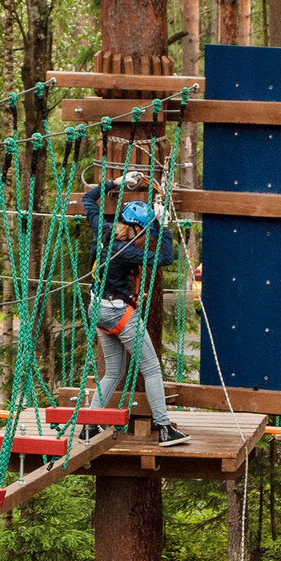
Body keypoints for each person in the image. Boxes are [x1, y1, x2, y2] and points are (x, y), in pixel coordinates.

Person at [83, 171, 189, 446]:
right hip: (119, 315)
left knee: (113, 372)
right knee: (151, 369)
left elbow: (88, 199)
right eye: (144, 233)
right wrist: (164, 227)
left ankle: (90, 426)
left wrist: (117, 182)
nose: (144, 239)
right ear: (134, 229)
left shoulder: (103, 231)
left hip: (98, 311)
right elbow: (165, 258)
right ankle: (164, 428)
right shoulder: (127, 251)